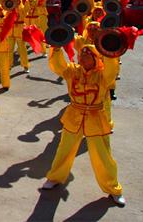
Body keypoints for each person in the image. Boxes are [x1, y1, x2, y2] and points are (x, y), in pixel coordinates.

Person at [42, 45, 125, 207]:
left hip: (96, 118)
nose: (84, 59)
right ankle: (54, 178)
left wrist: (109, 52)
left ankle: (113, 189)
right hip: (74, 115)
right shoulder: (73, 71)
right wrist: (57, 49)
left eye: (88, 56)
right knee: (64, 149)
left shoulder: (103, 76)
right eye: (82, 56)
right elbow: (58, 67)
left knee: (103, 155)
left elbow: (112, 69)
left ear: (95, 58)